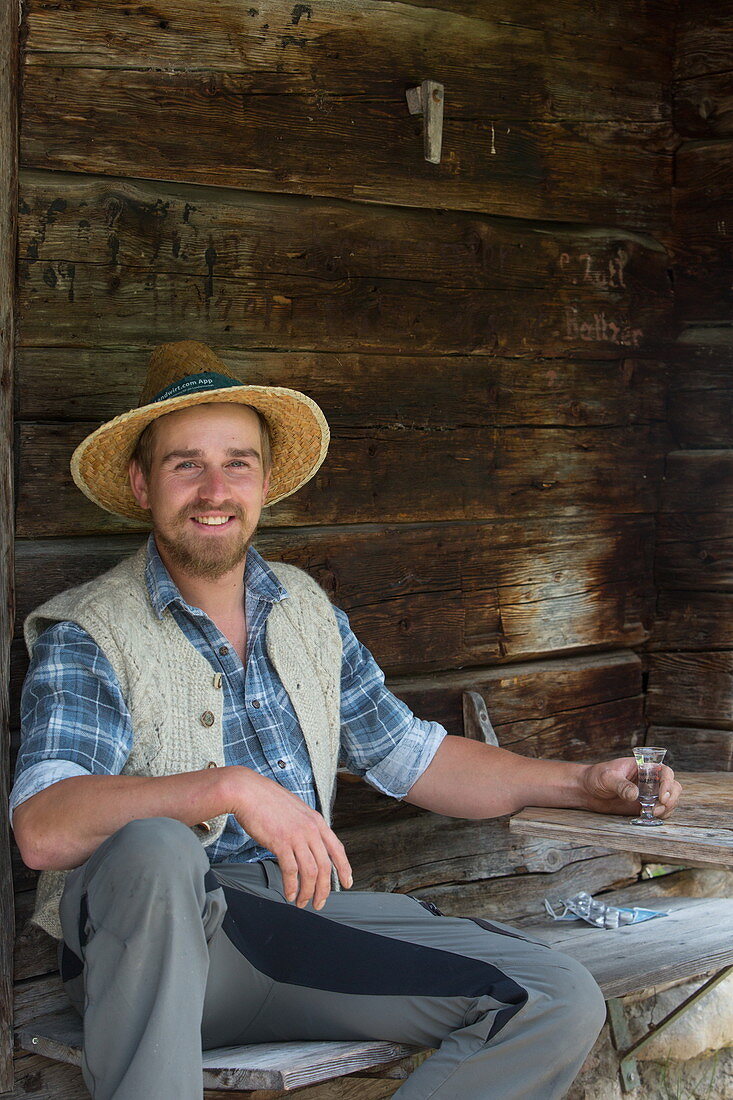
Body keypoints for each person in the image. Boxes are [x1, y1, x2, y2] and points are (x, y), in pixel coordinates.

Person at [10, 340, 681, 1100]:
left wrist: (584, 782)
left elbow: (413, 756)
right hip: (154, 945)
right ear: (141, 483)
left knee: (556, 997)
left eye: (238, 462)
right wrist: (225, 787)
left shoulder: (306, 615)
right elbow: (44, 826)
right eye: (184, 463)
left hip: (292, 928)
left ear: (266, 481)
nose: (213, 488)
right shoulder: (88, 631)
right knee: (159, 847)